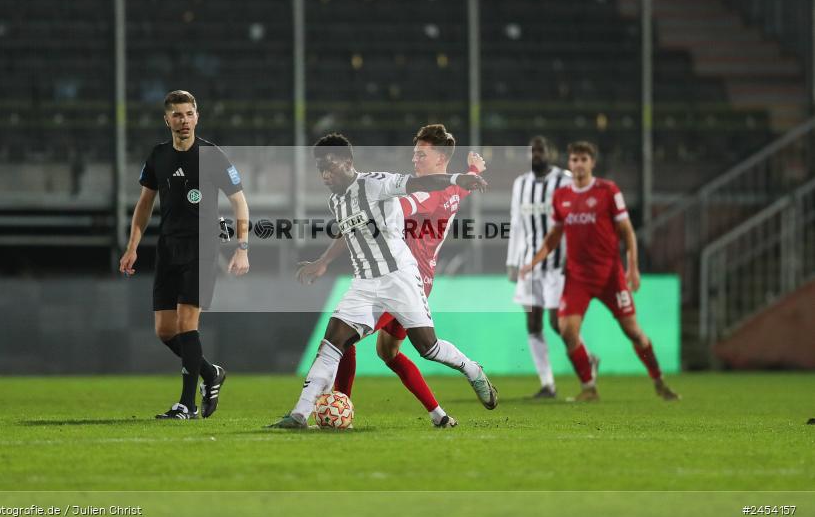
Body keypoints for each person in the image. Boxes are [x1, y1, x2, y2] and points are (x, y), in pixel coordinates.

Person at [267, 132, 498, 429]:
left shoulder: (400, 190)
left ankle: (470, 370)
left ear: (441, 158)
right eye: (414, 153)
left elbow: (420, 190)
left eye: (421, 155)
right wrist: (472, 172)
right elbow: (356, 225)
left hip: (404, 278)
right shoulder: (338, 199)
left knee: (426, 347)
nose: (414, 159)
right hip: (366, 282)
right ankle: (300, 414)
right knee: (348, 344)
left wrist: (459, 177)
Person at [119, 90, 250, 420]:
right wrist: (133, 246)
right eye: (177, 115)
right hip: (168, 247)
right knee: (165, 330)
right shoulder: (158, 156)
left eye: (189, 113)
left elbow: (239, 201)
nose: (184, 120)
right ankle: (210, 373)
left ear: (197, 116)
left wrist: (242, 247)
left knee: (187, 323)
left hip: (202, 248)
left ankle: (187, 405)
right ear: (167, 120)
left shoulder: (212, 155)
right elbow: (144, 204)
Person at [520, 141, 679, 402]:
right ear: (569, 164)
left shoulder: (607, 190)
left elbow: (627, 232)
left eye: (584, 159)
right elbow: (553, 236)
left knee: (633, 331)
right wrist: (533, 262)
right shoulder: (561, 197)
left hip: (609, 275)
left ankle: (659, 379)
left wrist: (633, 268)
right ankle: (589, 388)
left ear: (592, 162)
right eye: (574, 160)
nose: (579, 164)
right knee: (567, 330)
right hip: (577, 276)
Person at [506, 136, 577, 399]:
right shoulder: (520, 184)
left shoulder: (565, 180)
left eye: (541, 150)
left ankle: (585, 359)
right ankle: (548, 384)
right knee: (533, 324)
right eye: (532, 151)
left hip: (559, 264)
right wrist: (512, 262)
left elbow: (575, 220)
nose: (536, 154)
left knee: (558, 324)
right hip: (528, 265)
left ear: (550, 152)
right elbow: (515, 223)